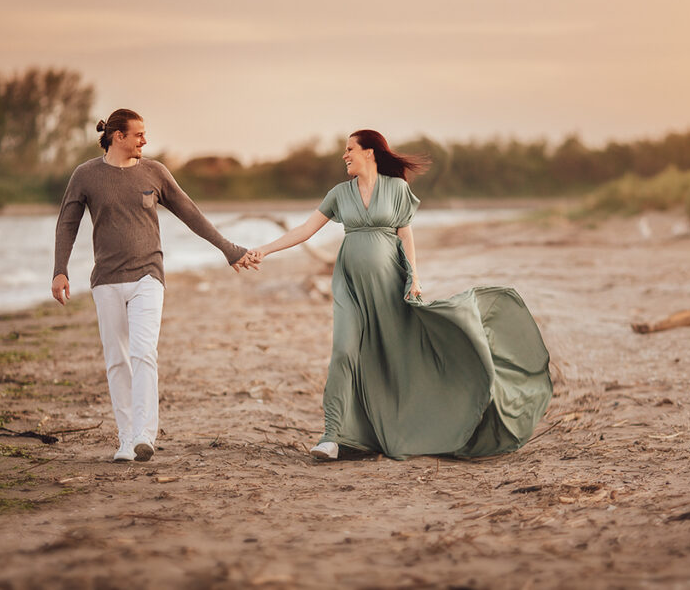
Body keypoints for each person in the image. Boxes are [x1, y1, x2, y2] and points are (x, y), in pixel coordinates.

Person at [249, 129, 552, 460]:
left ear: (370, 153)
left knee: (397, 355)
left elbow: (405, 237)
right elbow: (305, 230)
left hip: (391, 285)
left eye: (350, 149)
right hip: (349, 286)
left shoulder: (397, 189)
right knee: (344, 351)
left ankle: (413, 425)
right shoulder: (339, 194)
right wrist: (264, 249)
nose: (345, 155)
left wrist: (415, 277)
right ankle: (331, 435)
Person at [51, 108, 260, 463]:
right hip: (106, 282)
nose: (145, 141)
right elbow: (66, 223)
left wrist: (229, 250)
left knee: (143, 353)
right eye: (138, 135)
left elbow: (191, 213)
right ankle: (125, 438)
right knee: (117, 361)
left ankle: (144, 435)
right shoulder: (86, 175)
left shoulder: (155, 172)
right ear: (118, 136)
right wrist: (60, 270)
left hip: (149, 276)